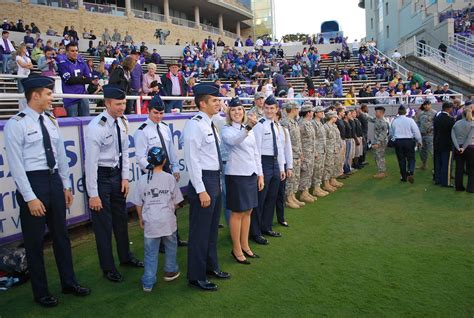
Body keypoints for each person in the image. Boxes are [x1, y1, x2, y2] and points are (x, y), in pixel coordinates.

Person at [4, 75, 91, 307]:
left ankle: (69, 282)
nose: (52, 97)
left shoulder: (51, 121)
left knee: (61, 237)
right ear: (35, 95)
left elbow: (61, 156)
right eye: (48, 93)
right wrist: (30, 197)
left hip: (53, 182)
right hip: (33, 183)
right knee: (34, 243)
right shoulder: (17, 124)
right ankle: (41, 292)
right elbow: (16, 165)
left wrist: (66, 185)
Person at [85, 84, 144, 283]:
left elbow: (125, 152)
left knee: (121, 221)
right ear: (108, 103)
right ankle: (108, 267)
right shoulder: (97, 127)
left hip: (117, 176)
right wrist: (93, 194)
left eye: (124, 103)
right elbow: (91, 164)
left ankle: (125, 257)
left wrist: (125, 177)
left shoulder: (122, 122)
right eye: (118, 104)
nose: (122, 107)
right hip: (101, 178)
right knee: (103, 226)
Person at [183, 83, 231, 291]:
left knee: (211, 230)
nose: (219, 103)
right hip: (203, 180)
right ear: (202, 104)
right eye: (214, 100)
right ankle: (196, 275)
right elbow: (192, 160)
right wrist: (201, 189)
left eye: (219, 100)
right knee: (200, 233)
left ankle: (211, 267)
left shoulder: (211, 123)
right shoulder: (195, 125)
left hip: (214, 179)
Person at [133, 95, 187, 247]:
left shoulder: (164, 127)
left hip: (167, 170)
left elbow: (171, 151)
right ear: (149, 111)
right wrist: (153, 172)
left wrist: (175, 168)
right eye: (155, 113)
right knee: (155, 207)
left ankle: (173, 238)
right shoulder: (142, 131)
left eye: (161, 113)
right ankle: (160, 242)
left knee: (170, 205)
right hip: (152, 173)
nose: (158, 116)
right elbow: (140, 156)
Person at [131, 147, 183, 292]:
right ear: (165, 161)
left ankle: (148, 281)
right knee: (171, 246)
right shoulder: (169, 178)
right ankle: (170, 271)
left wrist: (141, 218)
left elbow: (138, 203)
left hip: (151, 222)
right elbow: (177, 200)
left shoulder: (142, 179)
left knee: (150, 252)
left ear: (148, 160)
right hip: (167, 221)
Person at [221, 97, 263, 265]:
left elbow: (255, 153)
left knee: (248, 211)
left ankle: (245, 245)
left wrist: (260, 174)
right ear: (229, 113)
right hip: (236, 175)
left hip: (251, 174)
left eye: (239, 109)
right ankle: (236, 248)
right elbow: (234, 141)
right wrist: (247, 128)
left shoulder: (249, 130)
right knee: (237, 213)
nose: (237, 112)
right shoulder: (227, 129)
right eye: (233, 110)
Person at [251, 95, 286, 245]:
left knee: (271, 197)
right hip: (263, 163)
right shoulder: (260, 125)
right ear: (263, 109)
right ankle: (256, 232)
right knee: (260, 199)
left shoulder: (277, 126)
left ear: (277, 109)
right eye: (267, 108)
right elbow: (256, 150)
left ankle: (266, 227)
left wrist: (282, 167)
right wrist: (260, 173)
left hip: (275, 163)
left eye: (272, 108)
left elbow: (280, 148)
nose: (269, 111)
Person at [57, 43, 92, 117]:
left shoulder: (82, 63)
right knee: (72, 123)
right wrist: (82, 79)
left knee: (86, 120)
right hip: (70, 98)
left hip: (83, 96)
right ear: (67, 52)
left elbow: (89, 79)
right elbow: (69, 80)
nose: (75, 53)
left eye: (76, 51)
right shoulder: (62, 64)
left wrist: (76, 79)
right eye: (72, 51)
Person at [281, 102, 305, 208]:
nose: (298, 111)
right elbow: (285, 141)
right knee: (290, 178)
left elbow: (297, 140)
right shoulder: (285, 122)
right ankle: (288, 198)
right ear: (293, 110)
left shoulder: (294, 122)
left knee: (295, 177)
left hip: (296, 153)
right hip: (290, 154)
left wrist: (300, 152)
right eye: (296, 109)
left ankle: (293, 196)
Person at [390, 105, 422, 183]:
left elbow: (391, 133)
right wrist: (419, 140)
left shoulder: (394, 121)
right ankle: (410, 171)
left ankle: (403, 177)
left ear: (398, 112)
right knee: (411, 158)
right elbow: (416, 131)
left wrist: (394, 141)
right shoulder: (410, 120)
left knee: (401, 159)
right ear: (405, 112)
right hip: (409, 141)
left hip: (398, 141)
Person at [275, 109, 293, 227]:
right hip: (270, 165)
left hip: (282, 164)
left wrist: (289, 166)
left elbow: (288, 149)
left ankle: (281, 218)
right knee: (269, 195)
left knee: (280, 194)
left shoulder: (284, 130)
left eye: (277, 116)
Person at [298, 103, 317, 203]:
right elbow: (299, 139)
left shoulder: (309, 122)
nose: (313, 113)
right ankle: (303, 193)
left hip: (310, 151)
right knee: (305, 172)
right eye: (312, 111)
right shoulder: (301, 123)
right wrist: (301, 152)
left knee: (309, 171)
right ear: (308, 113)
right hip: (305, 152)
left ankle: (306, 191)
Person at [433, 102, 456, 187]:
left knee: (438, 162)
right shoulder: (450, 119)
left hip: (437, 142)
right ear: (449, 108)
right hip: (447, 143)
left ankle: (437, 179)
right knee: (446, 163)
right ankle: (446, 181)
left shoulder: (437, 117)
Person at [451, 108, 474, 192]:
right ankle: (471, 188)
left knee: (459, 168)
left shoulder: (456, 123)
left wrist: (458, 147)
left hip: (458, 148)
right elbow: (469, 137)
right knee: (472, 168)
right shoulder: (472, 124)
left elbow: (453, 136)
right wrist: (464, 147)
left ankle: (459, 187)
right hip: (470, 148)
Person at [364, 106, 390, 178]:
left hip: (380, 142)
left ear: (381, 113)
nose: (375, 113)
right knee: (377, 156)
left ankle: (382, 172)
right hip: (378, 141)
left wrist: (378, 143)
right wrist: (363, 113)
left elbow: (383, 134)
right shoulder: (377, 119)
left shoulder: (383, 122)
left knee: (379, 156)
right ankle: (381, 171)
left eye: (376, 112)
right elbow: (371, 119)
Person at [311, 106, 330, 197]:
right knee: (317, 169)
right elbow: (313, 139)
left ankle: (318, 187)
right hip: (317, 150)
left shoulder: (320, 123)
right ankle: (315, 188)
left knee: (320, 169)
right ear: (315, 113)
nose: (322, 113)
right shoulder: (313, 123)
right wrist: (315, 151)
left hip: (322, 149)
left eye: (323, 111)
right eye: (320, 112)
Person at [322, 111, 341, 192]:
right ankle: (326, 183)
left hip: (334, 148)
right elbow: (324, 139)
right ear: (330, 117)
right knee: (328, 166)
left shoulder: (334, 126)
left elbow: (336, 138)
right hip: (329, 149)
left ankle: (332, 179)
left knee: (334, 164)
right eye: (334, 117)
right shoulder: (325, 127)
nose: (336, 118)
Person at [415, 100, 437, 170]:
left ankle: (436, 167)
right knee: (422, 151)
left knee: (432, 151)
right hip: (422, 135)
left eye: (428, 104)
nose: (426, 106)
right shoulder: (421, 113)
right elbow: (418, 122)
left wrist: (432, 128)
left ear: (430, 105)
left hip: (430, 135)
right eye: (425, 105)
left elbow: (436, 124)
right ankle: (423, 164)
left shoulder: (434, 113)